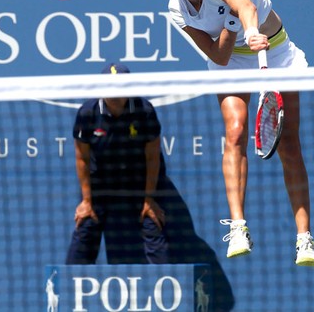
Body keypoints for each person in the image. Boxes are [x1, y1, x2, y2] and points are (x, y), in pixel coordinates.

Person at [107, 0, 314, 267]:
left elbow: (245, 5)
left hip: (275, 53)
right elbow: (219, 56)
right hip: (232, 59)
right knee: (234, 133)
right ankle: (238, 227)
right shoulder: (176, 8)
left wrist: (248, 29)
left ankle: (304, 238)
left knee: (289, 145)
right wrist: (234, 28)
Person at [65, 63, 235, 312]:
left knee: (155, 226)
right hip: (101, 184)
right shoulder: (88, 113)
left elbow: (153, 157)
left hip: (139, 180)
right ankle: (68, 296)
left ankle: (166, 297)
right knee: (86, 226)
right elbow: (82, 159)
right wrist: (87, 201)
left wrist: (148, 199)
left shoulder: (144, 111)